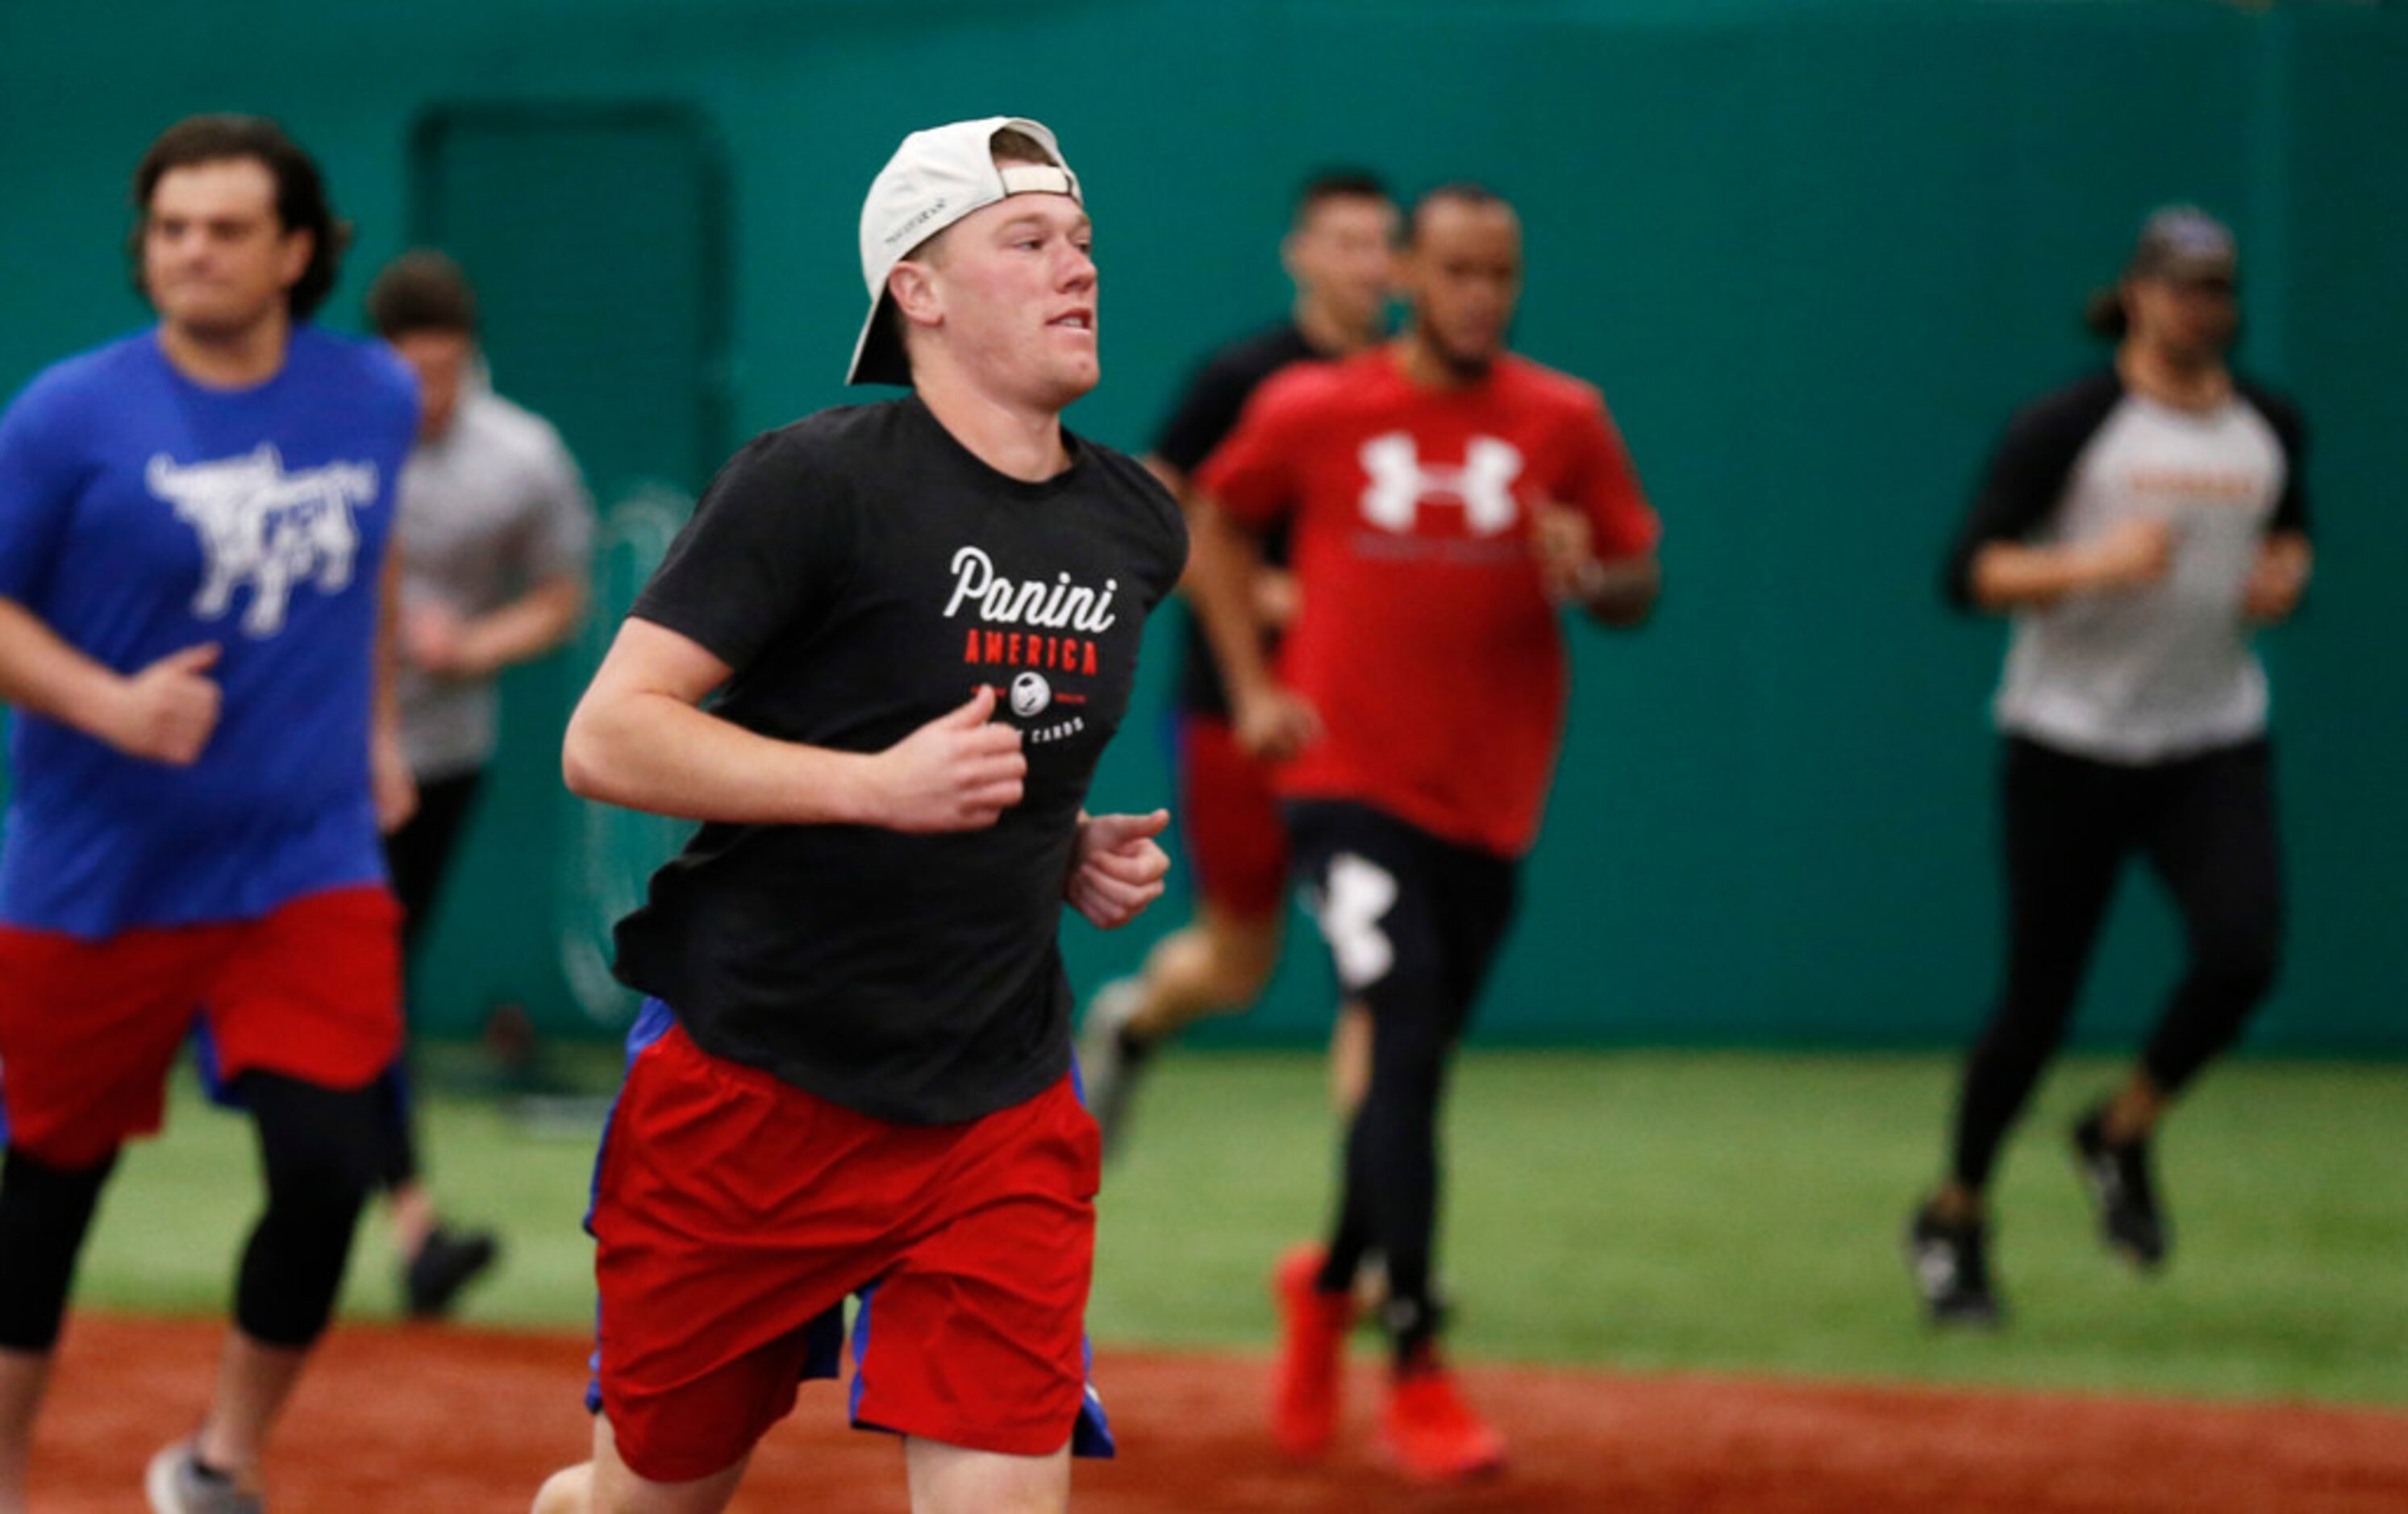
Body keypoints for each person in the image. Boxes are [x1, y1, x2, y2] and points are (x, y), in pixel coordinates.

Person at [528, 117, 1185, 1514]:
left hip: (991, 1101)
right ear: (919, 291)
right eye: (1027, 241)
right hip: (753, 1084)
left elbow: (992, 739)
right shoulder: (815, 478)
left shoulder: (1134, 524)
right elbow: (609, 733)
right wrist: (874, 790)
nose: (1077, 269)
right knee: (649, 1498)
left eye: (1081, 242)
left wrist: (1050, 845)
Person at [1185, 183, 1661, 1482]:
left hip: (1490, 799)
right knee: (1396, 1030)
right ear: (1404, 271)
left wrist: (1589, 571)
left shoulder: (1562, 419)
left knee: (1412, 1065)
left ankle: (1326, 1279)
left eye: (1498, 274)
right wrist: (1250, 686)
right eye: (1454, 270)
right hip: (1342, 782)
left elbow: (1635, 580)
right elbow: (1213, 517)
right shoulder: (1315, 407)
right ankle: (1417, 1365)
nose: (1478, 296)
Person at [0, 115, 419, 1513]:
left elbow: (372, 554)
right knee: (48, 1185)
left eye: (225, 228)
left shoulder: (370, 394)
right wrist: (107, 702)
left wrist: (372, 736)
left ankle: (216, 1464)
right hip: (97, 865)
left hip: (303, 858)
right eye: (170, 226)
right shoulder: (70, 411)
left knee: (331, 1162)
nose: (190, 251)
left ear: (295, 250)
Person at [1906, 206, 2312, 1327]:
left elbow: (2288, 537)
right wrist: (2091, 561)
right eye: (2180, 286)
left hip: (2208, 732)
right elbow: (1965, 572)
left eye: (2217, 289)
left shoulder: (2266, 424)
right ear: (2133, 293)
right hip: (2067, 737)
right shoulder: (2069, 423)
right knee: (2037, 1002)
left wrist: (2286, 577)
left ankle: (2120, 1126)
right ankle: (1953, 1213)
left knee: (2240, 952)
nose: (2200, 308)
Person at [1078, 169, 1397, 1158]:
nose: (1365, 266)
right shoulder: (1242, 377)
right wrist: (1267, 599)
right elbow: (1148, 521)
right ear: (1299, 252)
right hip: (1236, 709)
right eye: (1343, 243)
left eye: (1382, 245)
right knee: (1235, 966)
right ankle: (1129, 1027)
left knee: (1385, 971)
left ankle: (1380, 1228)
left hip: (1370, 723)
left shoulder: (1409, 390)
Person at [360, 248, 595, 1316]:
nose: (429, 395)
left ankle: (399, 1216)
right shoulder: (318, 430)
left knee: (368, 977)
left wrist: (476, 641)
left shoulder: (521, 457)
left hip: (436, 759)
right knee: (349, 981)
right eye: (411, 372)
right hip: (308, 756)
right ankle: (408, 1220)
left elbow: (562, 596)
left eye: (446, 371)